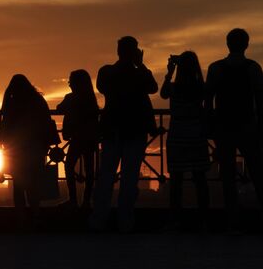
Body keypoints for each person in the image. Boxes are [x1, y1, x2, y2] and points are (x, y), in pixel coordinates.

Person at [89, 36, 158, 232]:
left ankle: (99, 220)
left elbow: (103, 87)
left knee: (106, 177)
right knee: (129, 179)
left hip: (112, 130)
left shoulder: (106, 72)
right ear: (134, 52)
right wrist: (140, 66)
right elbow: (153, 88)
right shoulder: (139, 74)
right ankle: (125, 220)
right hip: (135, 131)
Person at [205, 28, 263, 230]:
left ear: (227, 44)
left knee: (228, 175)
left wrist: (210, 125)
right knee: (256, 171)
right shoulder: (253, 68)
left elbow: (208, 99)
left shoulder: (216, 68)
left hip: (223, 127)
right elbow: (260, 98)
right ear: (246, 45)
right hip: (248, 126)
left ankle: (232, 219)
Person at [161, 51, 210, 230]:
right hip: (197, 135)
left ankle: (175, 219)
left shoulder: (174, 87)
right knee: (200, 179)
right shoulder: (201, 87)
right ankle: (204, 219)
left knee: (176, 181)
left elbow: (163, 93)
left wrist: (170, 71)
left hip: (177, 136)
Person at [0, 74, 54, 220]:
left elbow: (6, 125)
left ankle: (20, 217)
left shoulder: (11, 101)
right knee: (34, 182)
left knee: (18, 184)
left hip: (16, 149)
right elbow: (46, 121)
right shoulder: (38, 100)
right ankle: (35, 214)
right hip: (36, 146)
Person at [57, 69, 99, 210]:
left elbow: (59, 108)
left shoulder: (70, 98)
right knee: (89, 170)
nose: (69, 84)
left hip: (77, 138)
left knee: (69, 166)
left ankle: (73, 200)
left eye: (70, 81)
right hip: (90, 138)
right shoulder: (91, 99)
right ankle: (87, 201)